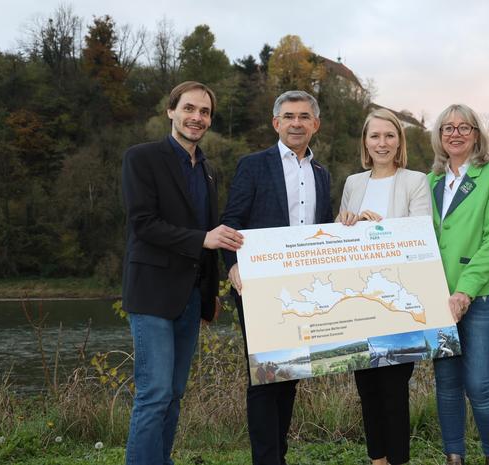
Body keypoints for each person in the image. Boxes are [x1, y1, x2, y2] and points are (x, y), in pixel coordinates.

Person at [121, 81, 244, 465]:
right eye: (189, 109)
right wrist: (202, 239)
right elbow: (144, 224)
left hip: (191, 298)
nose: (197, 118)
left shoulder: (209, 170)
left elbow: (213, 235)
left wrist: (210, 297)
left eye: (205, 112)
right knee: (154, 393)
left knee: (174, 393)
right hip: (153, 293)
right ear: (171, 111)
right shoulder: (141, 158)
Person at [221, 90, 333, 465]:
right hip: (258, 287)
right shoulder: (253, 165)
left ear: (315, 124)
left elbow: (325, 231)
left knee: (291, 374)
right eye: (288, 116)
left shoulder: (322, 174)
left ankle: (278, 455)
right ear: (276, 123)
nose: (296, 123)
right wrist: (231, 264)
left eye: (304, 116)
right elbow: (232, 221)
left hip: (303, 290)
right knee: (264, 376)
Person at [336, 108, 431, 465]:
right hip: (359, 299)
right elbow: (341, 243)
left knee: (393, 389)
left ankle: (399, 460)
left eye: (389, 135)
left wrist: (378, 228)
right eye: (375, 136)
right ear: (365, 141)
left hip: (398, 299)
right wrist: (344, 223)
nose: (382, 142)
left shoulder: (415, 181)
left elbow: (420, 235)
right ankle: (377, 459)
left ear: (399, 141)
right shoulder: (353, 184)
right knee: (367, 388)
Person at [428, 104, 489, 465]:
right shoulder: (430, 181)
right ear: (439, 137)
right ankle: (454, 457)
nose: (456, 133)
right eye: (448, 128)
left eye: (464, 127)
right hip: (437, 296)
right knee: (447, 386)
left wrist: (465, 290)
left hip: (478, 296)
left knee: (479, 384)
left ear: (477, 134)